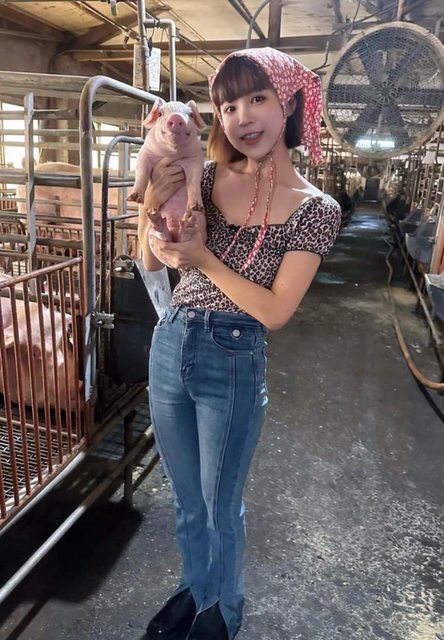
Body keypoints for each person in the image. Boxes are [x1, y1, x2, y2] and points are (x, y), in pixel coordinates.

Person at [138, 47, 342, 640]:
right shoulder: (203, 176)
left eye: (257, 99)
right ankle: (194, 589)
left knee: (219, 504)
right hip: (171, 340)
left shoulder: (315, 210)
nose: (242, 117)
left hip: (232, 355)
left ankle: (222, 612)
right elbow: (149, 261)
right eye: (228, 106)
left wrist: (202, 258)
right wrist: (150, 208)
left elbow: (275, 310)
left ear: (289, 103)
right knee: (185, 499)